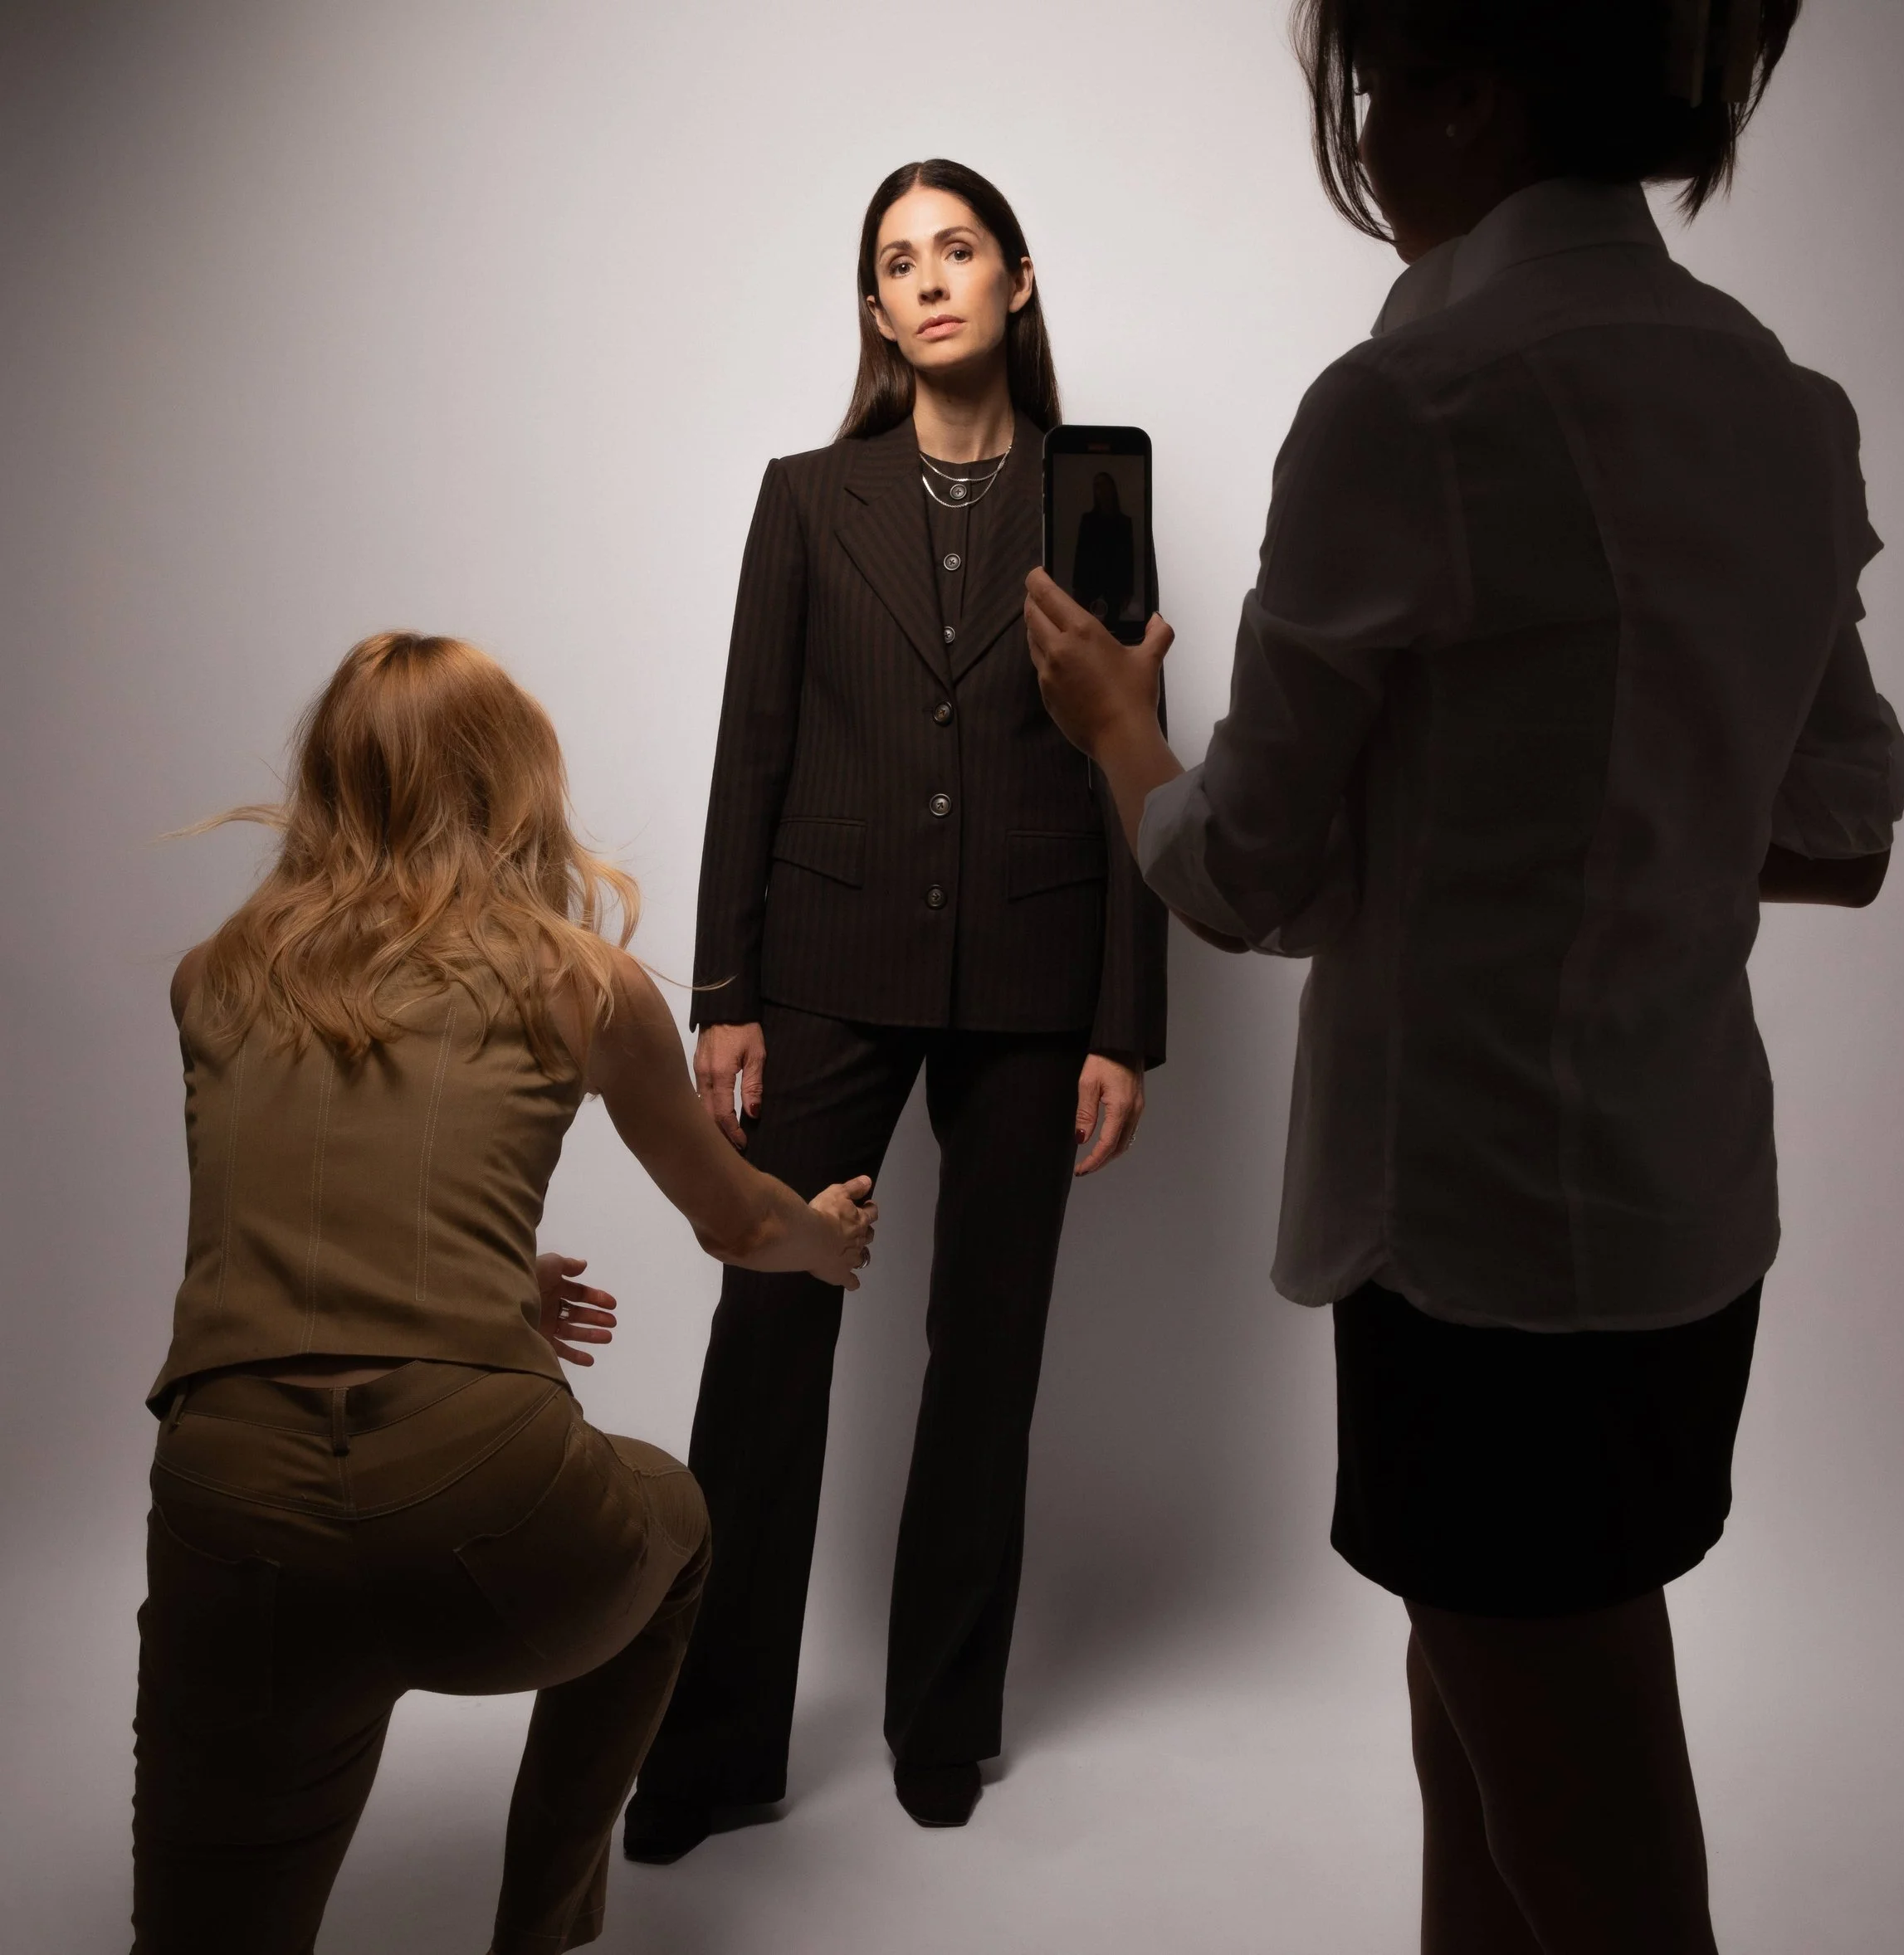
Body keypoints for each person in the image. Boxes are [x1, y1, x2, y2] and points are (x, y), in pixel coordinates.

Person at [1025, 2, 1904, 1951]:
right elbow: (1841, 825)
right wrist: (1611, 815)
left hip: (1480, 1234)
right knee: (1488, 1728)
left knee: (1577, 1822)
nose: (1359, 135)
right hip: (1683, 1213)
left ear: (1468, 94)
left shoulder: (1411, 404)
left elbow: (1236, 869)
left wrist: (1114, 720)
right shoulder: (1778, 397)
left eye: (1371, 90)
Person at [135, 631, 876, 1955]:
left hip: (231, 1509)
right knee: (681, 1522)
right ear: (511, 782)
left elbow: (280, 1215)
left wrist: (474, 1277)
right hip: (489, 1516)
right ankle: (540, 1934)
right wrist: (825, 1239)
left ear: (328, 781)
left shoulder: (214, 975)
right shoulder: (574, 977)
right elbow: (738, 1220)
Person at [624, 157, 1168, 1858]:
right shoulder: (805, 498)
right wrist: (725, 991)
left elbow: (1129, 753)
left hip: (1030, 973)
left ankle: (944, 1716)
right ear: (875, 313)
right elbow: (752, 749)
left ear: (1012, 280)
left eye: (954, 250)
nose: (927, 280)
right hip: (826, 966)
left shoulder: (1093, 495)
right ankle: (708, 1748)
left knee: (983, 1355)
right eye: (894, 263)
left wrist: (1121, 1017)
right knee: (765, 1337)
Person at [1071, 470, 1137, 623]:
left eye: (1103, 485)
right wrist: (1077, 586)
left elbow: (1128, 558)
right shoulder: (1088, 520)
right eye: (1096, 486)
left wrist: (1128, 590)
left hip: (1115, 584)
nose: (1100, 490)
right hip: (1089, 582)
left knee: (1112, 625)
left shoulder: (1124, 522)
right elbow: (1081, 554)